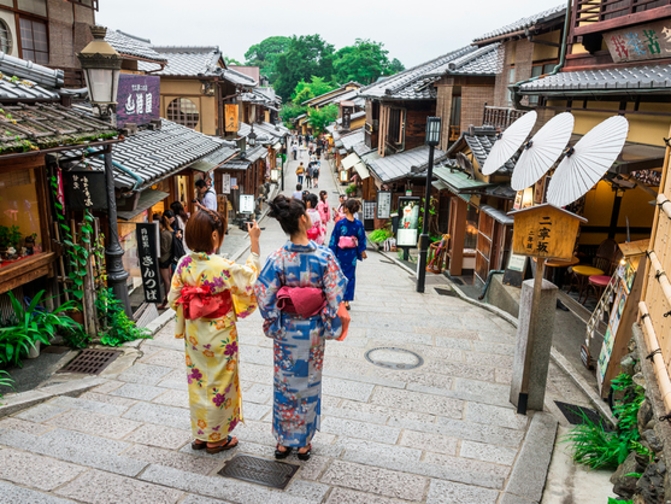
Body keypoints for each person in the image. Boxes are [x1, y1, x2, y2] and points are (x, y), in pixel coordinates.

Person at [254, 195, 347, 462]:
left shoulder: (278, 258)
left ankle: (283, 441)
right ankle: (304, 442)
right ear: (303, 219)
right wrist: (325, 320)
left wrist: (274, 320)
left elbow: (263, 293)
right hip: (313, 333)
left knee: (284, 384)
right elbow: (334, 294)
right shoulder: (324, 256)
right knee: (308, 384)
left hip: (286, 332)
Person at [168, 209, 261, 454]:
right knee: (221, 381)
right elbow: (250, 280)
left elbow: (173, 298)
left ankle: (201, 434)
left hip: (195, 334)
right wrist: (254, 241)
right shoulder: (223, 266)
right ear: (213, 236)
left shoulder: (184, 264)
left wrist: (195, 302)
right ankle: (217, 438)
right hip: (221, 335)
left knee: (198, 381)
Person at [329, 199, 367, 310]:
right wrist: (362, 251)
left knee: (339, 276)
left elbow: (334, 239)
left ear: (346, 209)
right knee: (350, 276)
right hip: (352, 255)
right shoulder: (358, 224)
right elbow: (362, 239)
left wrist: (331, 253)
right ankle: (346, 301)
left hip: (340, 253)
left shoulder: (340, 224)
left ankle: (339, 299)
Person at [156, 210, 175, 310]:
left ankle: (167, 300)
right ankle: (168, 299)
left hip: (164, 259)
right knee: (168, 279)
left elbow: (163, 249)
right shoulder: (168, 232)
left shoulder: (163, 234)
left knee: (166, 280)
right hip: (168, 258)